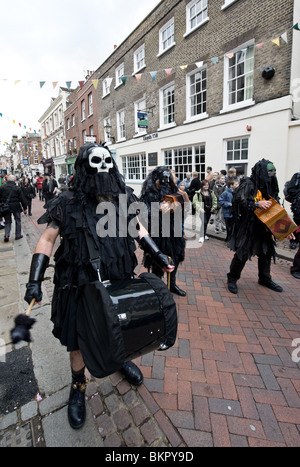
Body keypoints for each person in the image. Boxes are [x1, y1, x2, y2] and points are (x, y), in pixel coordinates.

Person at [23, 142, 174, 430]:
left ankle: (118, 358)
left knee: (122, 322)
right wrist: (34, 280)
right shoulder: (67, 202)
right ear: (84, 167)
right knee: (79, 336)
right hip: (80, 281)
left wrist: (156, 252)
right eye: (96, 162)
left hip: (118, 272)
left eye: (107, 161)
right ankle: (78, 386)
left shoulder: (123, 197)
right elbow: (46, 239)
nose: (103, 168)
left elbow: (137, 228)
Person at [227, 159, 294, 294]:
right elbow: (239, 201)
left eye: (273, 171)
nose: (272, 174)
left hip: (265, 226)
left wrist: (286, 229)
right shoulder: (249, 183)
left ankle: (264, 278)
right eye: (269, 171)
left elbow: (276, 206)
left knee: (266, 253)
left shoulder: (270, 185)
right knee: (243, 253)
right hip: (249, 226)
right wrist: (257, 204)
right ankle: (232, 278)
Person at [140, 166, 186, 297]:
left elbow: (183, 206)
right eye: (162, 179)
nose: (165, 182)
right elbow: (142, 213)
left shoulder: (174, 191)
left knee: (175, 258)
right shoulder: (148, 194)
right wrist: (157, 208)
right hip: (158, 234)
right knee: (157, 262)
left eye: (167, 178)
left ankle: (172, 285)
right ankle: (158, 288)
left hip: (174, 233)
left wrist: (176, 206)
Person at [0, 174, 27, 241]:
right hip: (16, 206)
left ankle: (6, 235)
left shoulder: (2, 188)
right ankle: (18, 235)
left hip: (6, 207)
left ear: (7, 180)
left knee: (7, 221)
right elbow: (22, 198)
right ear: (14, 180)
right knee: (18, 220)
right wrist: (25, 208)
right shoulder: (17, 188)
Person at [284, 171, 300, 279]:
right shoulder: (297, 177)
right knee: (296, 229)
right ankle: (296, 268)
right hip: (299, 211)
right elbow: (291, 190)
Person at [193, 179, 217, 243]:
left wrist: (213, 207)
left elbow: (215, 200)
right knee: (204, 222)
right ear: (202, 186)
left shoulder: (211, 192)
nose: (206, 186)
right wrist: (200, 208)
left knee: (206, 223)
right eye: (205, 185)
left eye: (207, 185)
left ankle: (204, 234)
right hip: (202, 210)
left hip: (209, 210)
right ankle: (201, 236)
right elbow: (195, 202)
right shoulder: (198, 193)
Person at [219, 178, 239, 243]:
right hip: (227, 213)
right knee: (229, 228)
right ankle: (228, 240)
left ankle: (230, 240)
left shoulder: (237, 192)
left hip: (234, 213)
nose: (238, 185)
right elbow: (221, 201)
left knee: (233, 228)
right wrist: (228, 204)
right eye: (236, 184)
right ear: (231, 185)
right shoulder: (225, 193)